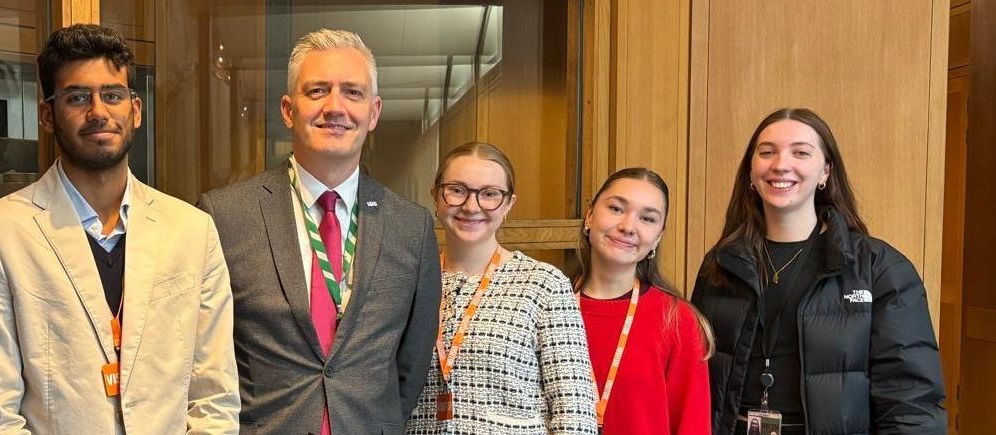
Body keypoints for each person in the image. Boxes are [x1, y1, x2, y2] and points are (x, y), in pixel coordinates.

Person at [0, 24, 239, 434]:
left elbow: (214, 396)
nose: (98, 112)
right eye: (77, 97)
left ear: (135, 110)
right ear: (47, 115)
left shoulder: (193, 231)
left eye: (112, 95)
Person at [198, 28, 441, 434]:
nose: (335, 107)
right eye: (317, 91)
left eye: (352, 92)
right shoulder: (225, 216)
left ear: (374, 112)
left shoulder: (411, 227)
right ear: (288, 110)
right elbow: (205, 358)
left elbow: (410, 367)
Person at [692, 108, 947, 434]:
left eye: (800, 153)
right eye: (767, 152)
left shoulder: (878, 267)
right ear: (751, 172)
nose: (780, 164)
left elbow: (911, 403)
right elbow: (694, 380)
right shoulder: (721, 264)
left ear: (825, 171)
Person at [405, 142, 597, 435]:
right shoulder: (410, 282)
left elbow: (575, 412)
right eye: (457, 190)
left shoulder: (543, 284)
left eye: (489, 194)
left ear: (508, 204)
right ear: (435, 196)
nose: (471, 206)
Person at [573, 168, 710, 435]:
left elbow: (692, 426)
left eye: (647, 218)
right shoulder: (546, 305)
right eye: (616, 208)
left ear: (658, 236)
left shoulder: (677, 320)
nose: (628, 226)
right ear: (589, 216)